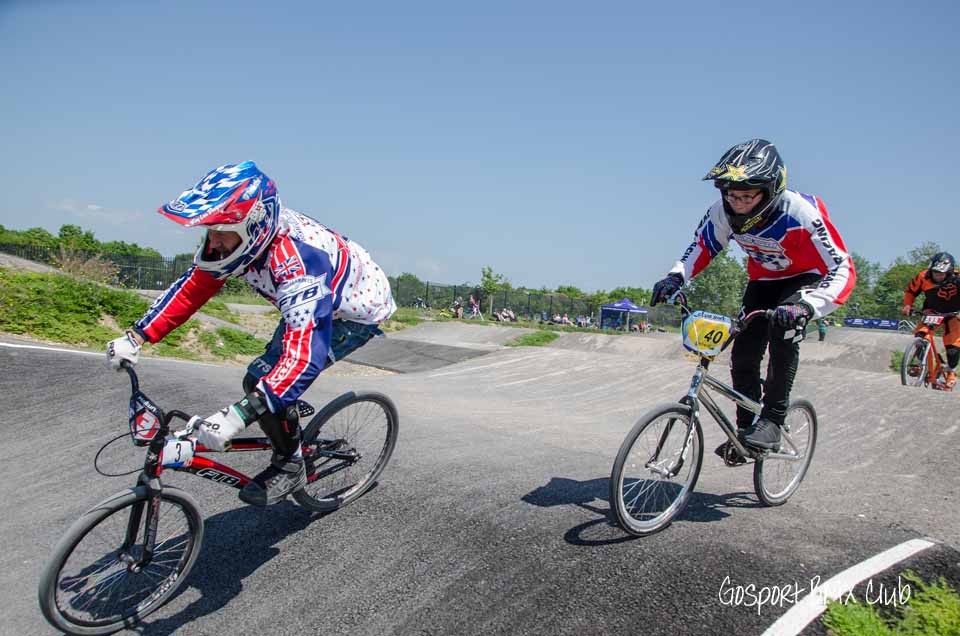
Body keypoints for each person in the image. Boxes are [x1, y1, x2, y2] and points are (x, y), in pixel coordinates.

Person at [106, 162, 396, 505]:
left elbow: (304, 356)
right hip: (314, 296)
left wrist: (241, 414)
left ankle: (290, 464)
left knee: (261, 381)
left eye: (222, 231)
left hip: (351, 313)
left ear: (254, 226)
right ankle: (281, 413)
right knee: (266, 384)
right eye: (210, 230)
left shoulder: (297, 263)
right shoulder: (243, 239)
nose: (213, 241)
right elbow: (193, 289)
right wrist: (137, 336)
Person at [649, 139, 855, 458]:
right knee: (743, 354)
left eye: (747, 196)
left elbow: (843, 267)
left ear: (771, 190)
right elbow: (703, 246)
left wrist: (808, 307)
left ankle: (773, 421)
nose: (738, 203)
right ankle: (746, 433)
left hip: (808, 279)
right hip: (764, 281)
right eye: (732, 195)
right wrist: (675, 277)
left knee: (783, 335)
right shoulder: (721, 211)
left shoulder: (801, 212)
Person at [901, 251, 960, 389]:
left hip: (954, 314)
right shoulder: (923, 277)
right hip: (932, 311)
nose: (937, 276)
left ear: (949, 272)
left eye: (941, 273)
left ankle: (951, 372)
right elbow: (910, 291)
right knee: (921, 335)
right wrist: (907, 305)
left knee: (953, 346)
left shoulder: (957, 278)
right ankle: (921, 363)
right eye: (935, 272)